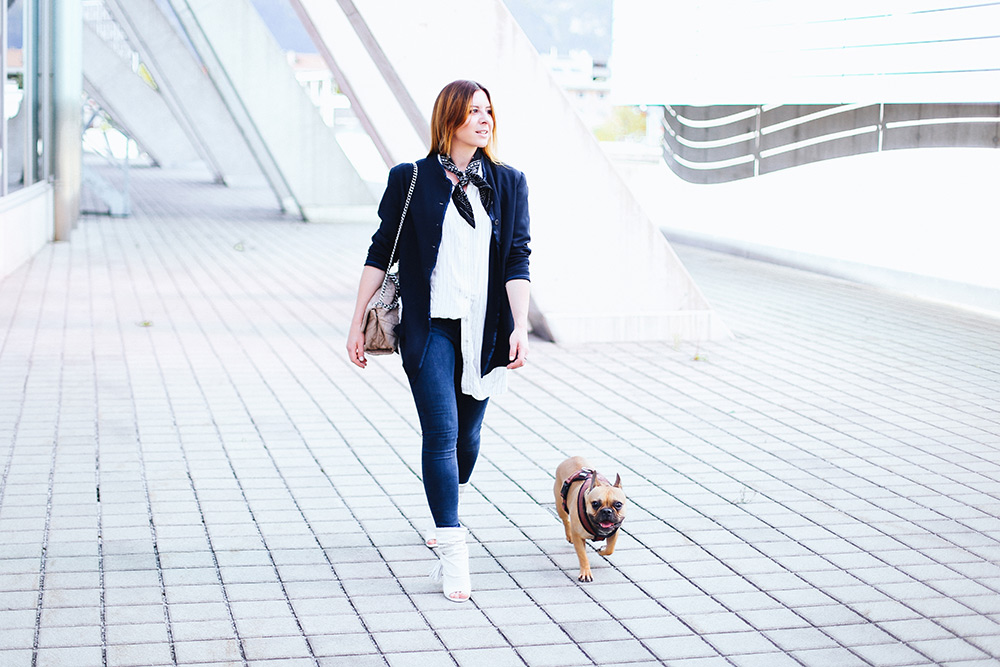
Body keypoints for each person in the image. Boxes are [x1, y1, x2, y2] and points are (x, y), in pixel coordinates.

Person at [347, 80, 531, 602]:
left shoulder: (509, 183)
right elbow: (381, 251)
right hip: (429, 329)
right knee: (441, 432)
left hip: (485, 331)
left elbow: (517, 258)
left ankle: (446, 502)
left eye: (488, 111)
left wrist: (519, 324)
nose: (484, 119)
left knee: (466, 441)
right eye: (473, 111)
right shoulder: (411, 180)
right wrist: (356, 319)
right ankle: (453, 552)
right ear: (449, 119)